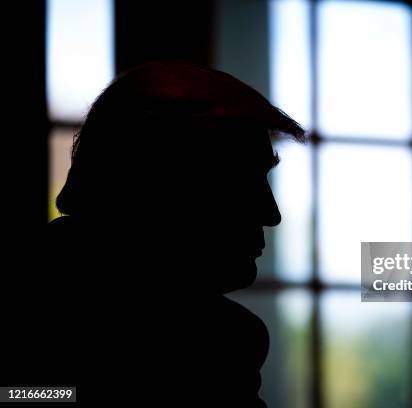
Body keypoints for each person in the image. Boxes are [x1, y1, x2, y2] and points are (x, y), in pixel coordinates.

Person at [46, 60, 305, 406]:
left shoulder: (226, 340)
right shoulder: (222, 344)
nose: (271, 214)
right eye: (240, 181)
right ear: (159, 182)